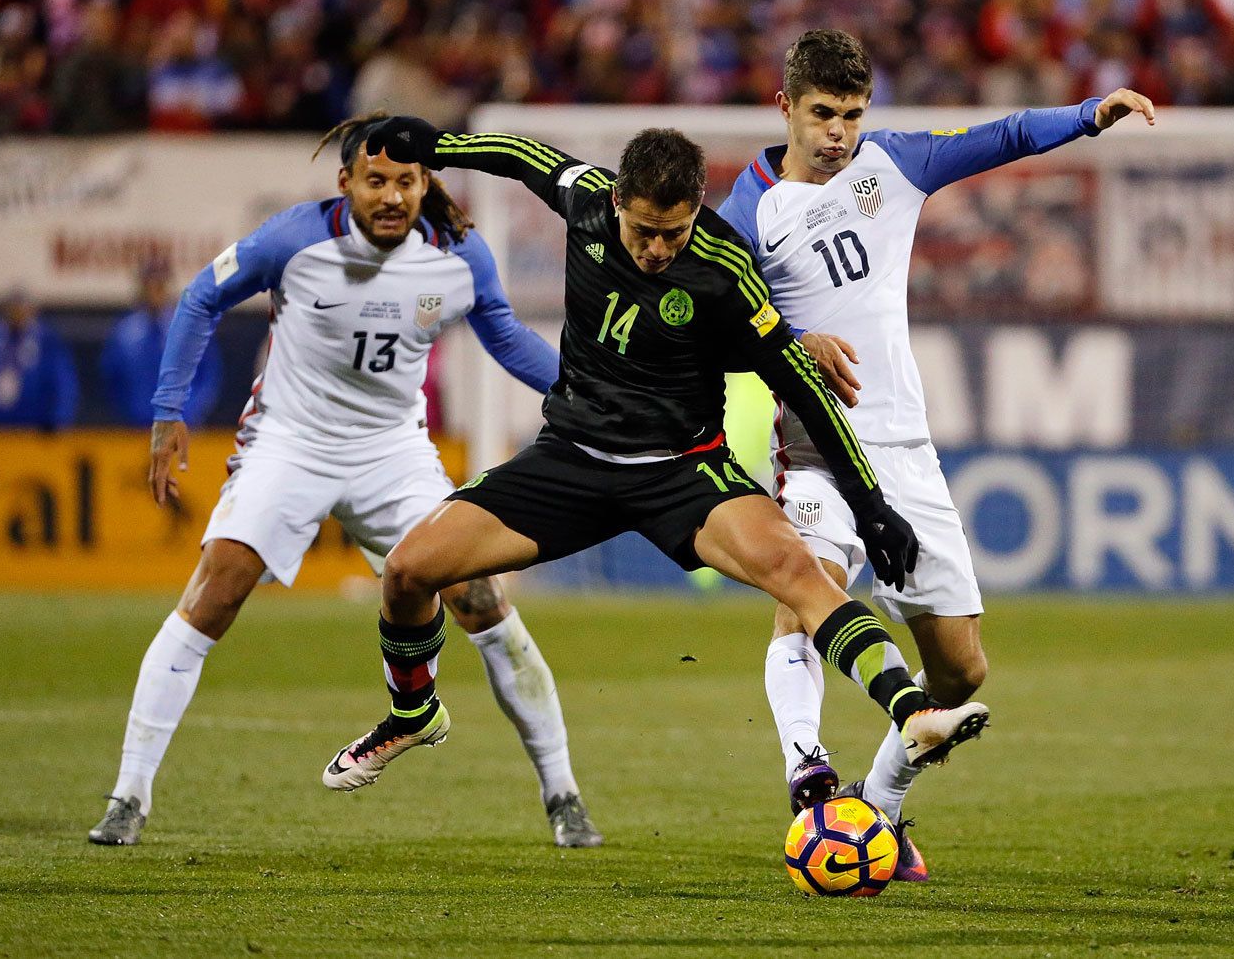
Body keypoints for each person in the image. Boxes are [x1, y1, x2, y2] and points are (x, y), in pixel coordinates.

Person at [316, 117, 989, 806]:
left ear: (697, 208)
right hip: (570, 461)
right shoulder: (584, 199)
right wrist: (437, 147)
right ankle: (413, 713)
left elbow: (801, 387)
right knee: (406, 572)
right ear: (616, 204)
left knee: (798, 574)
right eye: (644, 231)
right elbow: (520, 153)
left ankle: (912, 712)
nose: (658, 248)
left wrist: (871, 504)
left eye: (675, 231)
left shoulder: (727, 268)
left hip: (683, 472)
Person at [90, 114, 602, 850]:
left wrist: (593, 395)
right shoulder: (292, 239)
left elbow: (508, 340)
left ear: (425, 182)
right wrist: (168, 409)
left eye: (405, 180)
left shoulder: (457, 255)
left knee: (480, 597)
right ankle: (128, 796)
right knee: (216, 588)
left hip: (393, 453)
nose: (391, 196)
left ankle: (563, 795)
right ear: (346, 183)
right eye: (375, 181)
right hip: (289, 443)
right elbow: (201, 297)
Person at [718, 28, 1156, 880]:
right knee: (808, 591)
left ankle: (875, 807)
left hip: (905, 449)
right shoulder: (746, 212)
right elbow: (711, 328)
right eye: (821, 114)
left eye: (850, 113)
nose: (838, 133)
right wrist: (794, 341)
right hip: (816, 444)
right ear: (785, 108)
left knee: (959, 668)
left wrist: (1089, 116)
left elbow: (1003, 137)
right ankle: (807, 775)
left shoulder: (897, 165)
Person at [100, 256, 222, 427]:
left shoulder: (191, 328)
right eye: (150, 285)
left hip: (182, 425)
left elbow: (208, 376)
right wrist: (131, 413)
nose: (155, 291)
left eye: (160, 285)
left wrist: (190, 412)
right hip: (136, 428)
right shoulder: (125, 332)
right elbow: (112, 380)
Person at [0, 289, 78, 431]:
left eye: (21, 309)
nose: (17, 315)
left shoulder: (46, 341)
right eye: (12, 309)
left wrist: (58, 419)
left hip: (35, 430)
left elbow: (64, 383)